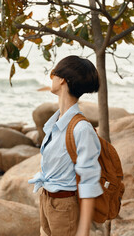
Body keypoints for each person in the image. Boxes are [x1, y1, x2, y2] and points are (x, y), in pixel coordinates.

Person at [28, 55, 103, 236]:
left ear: (63, 80)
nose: (50, 77)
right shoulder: (55, 122)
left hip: (64, 205)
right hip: (47, 200)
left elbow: (89, 182)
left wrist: (83, 231)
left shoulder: (81, 129)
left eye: (53, 72)